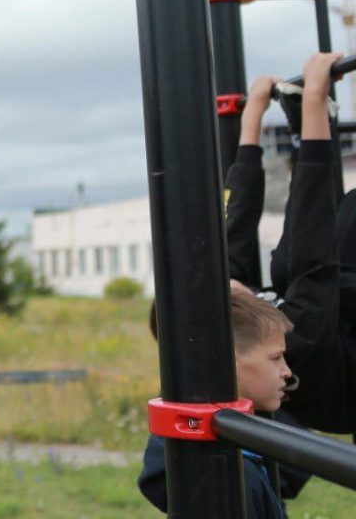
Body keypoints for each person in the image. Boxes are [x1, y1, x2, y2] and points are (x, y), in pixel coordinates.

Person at [222, 57, 354, 433]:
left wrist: (253, 120)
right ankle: (317, 123)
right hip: (345, 395)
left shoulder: (231, 305)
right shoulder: (297, 341)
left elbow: (237, 223)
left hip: (335, 336)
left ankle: (314, 124)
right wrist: (313, 99)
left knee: (285, 266)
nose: (231, 283)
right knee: (315, 254)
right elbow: (314, 248)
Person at [139, 286, 295, 517]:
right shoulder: (232, 477)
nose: (287, 372)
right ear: (226, 361)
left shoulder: (232, 458)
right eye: (276, 357)